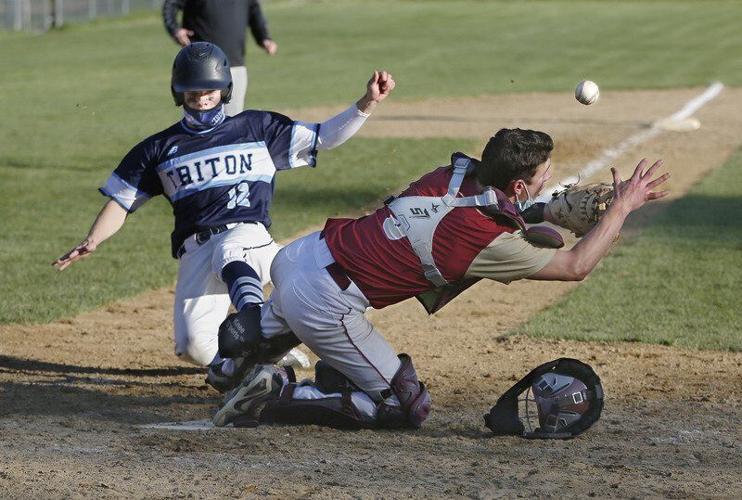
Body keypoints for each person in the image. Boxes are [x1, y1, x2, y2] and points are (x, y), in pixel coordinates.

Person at [211, 128, 670, 429]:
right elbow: (575, 267)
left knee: (289, 315)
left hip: (302, 255)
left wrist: (543, 211)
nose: (551, 179)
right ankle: (279, 394)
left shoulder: (451, 174)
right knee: (404, 407)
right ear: (517, 186)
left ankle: (235, 356)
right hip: (326, 301)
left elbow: (481, 211)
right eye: (543, 176)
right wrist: (622, 207)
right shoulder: (481, 243)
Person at [52, 42, 396, 392]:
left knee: (230, 249)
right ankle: (273, 341)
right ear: (178, 93)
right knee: (196, 348)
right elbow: (122, 201)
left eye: (209, 90)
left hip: (249, 240)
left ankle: (257, 331)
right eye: (192, 91)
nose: (201, 97)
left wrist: (366, 104)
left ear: (224, 89)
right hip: (197, 250)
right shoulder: (158, 150)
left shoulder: (257, 128)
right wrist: (92, 239)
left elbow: (324, 137)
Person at [163, 0, 278, 116]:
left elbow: (253, 9)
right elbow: (171, 4)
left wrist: (263, 37)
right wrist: (175, 29)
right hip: (199, 69)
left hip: (235, 63)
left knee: (232, 119)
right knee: (197, 121)